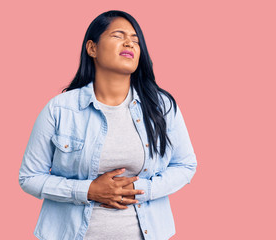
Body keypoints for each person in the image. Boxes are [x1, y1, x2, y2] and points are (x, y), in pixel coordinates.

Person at [18, 10, 197, 240]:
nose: (129, 43)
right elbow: (29, 178)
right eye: (118, 35)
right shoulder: (60, 109)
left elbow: (185, 164)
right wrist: (89, 191)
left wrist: (142, 190)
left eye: (135, 40)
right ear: (92, 48)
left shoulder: (161, 106)